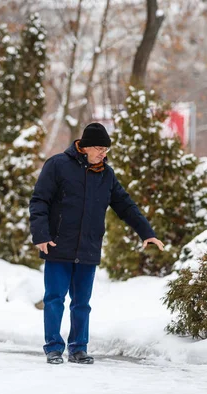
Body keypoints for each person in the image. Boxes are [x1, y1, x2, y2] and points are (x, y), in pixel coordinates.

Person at [29, 122, 164, 364]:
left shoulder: (106, 175)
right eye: (100, 148)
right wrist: (41, 235)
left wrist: (147, 233)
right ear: (85, 147)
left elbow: (125, 205)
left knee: (82, 303)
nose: (103, 153)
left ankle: (78, 348)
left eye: (106, 150)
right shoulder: (58, 165)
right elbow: (39, 200)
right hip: (58, 245)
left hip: (88, 247)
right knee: (54, 299)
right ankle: (53, 347)